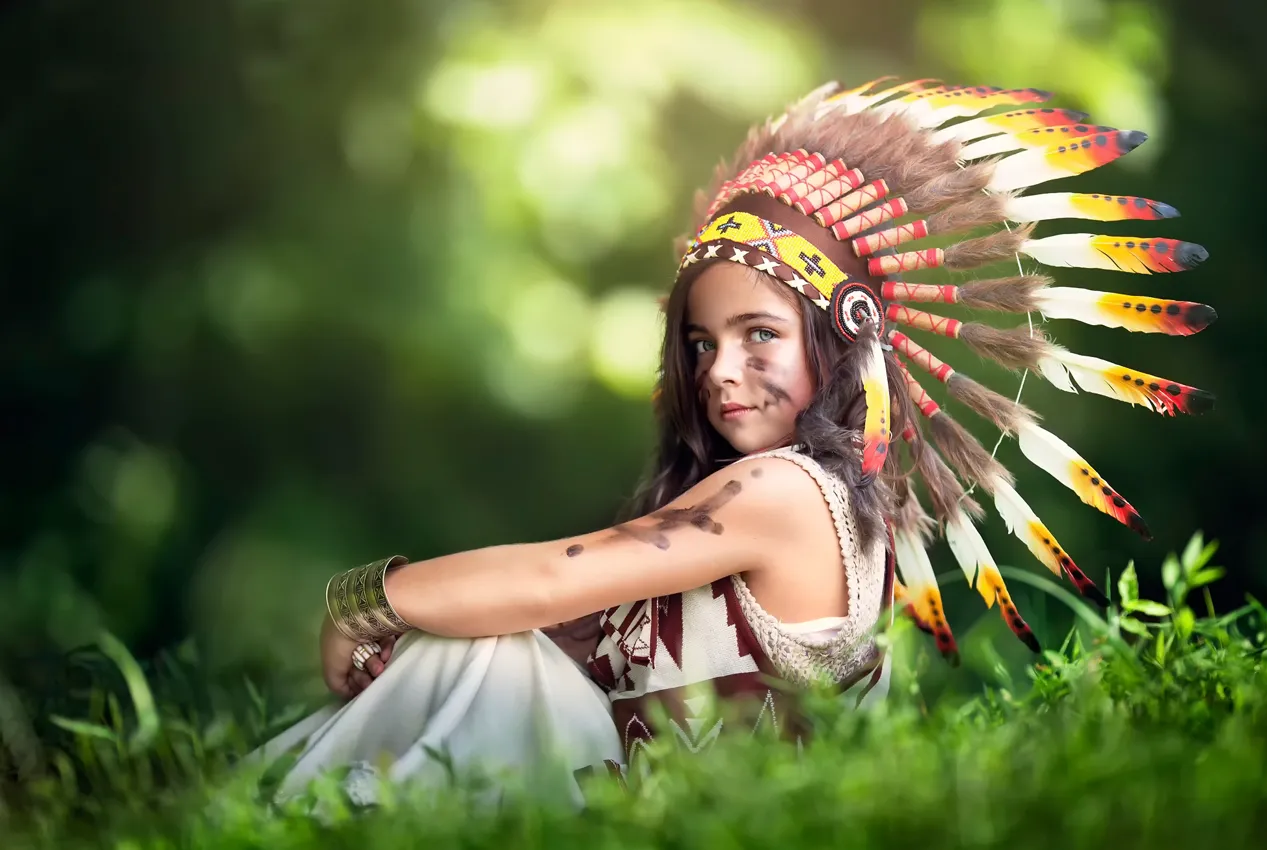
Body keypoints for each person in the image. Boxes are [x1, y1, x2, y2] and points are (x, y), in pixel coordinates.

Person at [245, 76, 1215, 804]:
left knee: (502, 657)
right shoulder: (809, 500)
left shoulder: (786, 495)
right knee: (499, 653)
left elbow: (547, 579)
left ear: (845, 338)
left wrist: (366, 599)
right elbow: (578, 632)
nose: (718, 371)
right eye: (702, 343)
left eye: (760, 336)